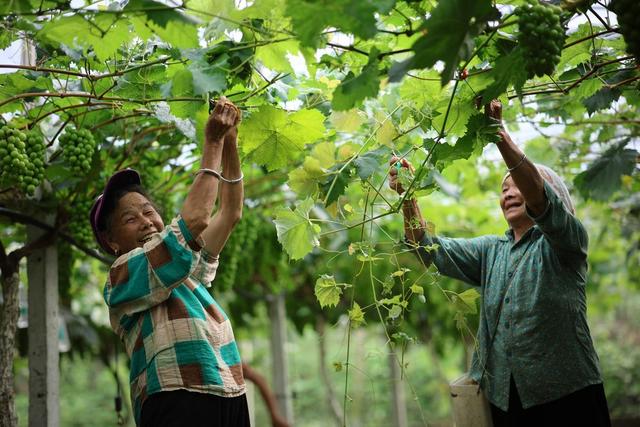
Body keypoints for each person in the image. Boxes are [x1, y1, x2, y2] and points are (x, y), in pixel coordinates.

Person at [389, 100, 611, 426]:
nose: (508, 191)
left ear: (549, 195)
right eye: (503, 188)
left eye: (517, 184)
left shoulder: (567, 243)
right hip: (505, 402)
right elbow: (426, 248)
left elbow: (540, 199)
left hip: (567, 395)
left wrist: (499, 135)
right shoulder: (491, 250)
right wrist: (408, 197)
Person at [90, 98, 249, 426]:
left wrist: (231, 141)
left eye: (149, 211)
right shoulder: (123, 275)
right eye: (130, 218)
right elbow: (197, 218)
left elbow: (230, 212)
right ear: (112, 241)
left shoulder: (188, 269)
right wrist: (213, 141)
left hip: (229, 390)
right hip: (174, 393)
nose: (146, 220)